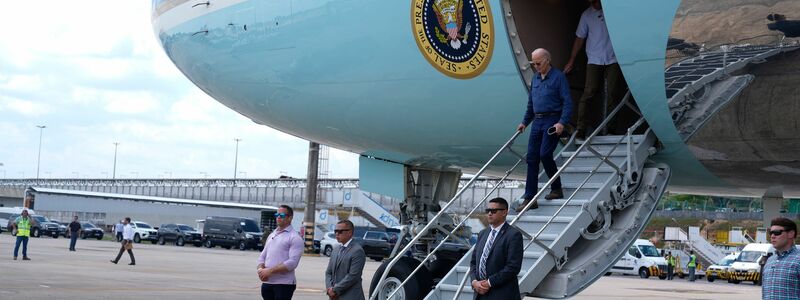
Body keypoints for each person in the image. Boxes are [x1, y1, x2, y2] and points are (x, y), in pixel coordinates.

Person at [516, 48, 573, 211]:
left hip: (552, 119)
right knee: (532, 158)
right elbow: (531, 104)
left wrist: (562, 122)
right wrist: (525, 122)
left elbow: (568, 102)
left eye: (538, 63)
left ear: (547, 61)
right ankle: (530, 198)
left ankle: (556, 188)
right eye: (533, 63)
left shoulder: (558, 77)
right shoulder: (535, 78)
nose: (535, 66)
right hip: (537, 120)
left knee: (545, 154)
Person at [564, 0, 626, 139]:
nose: (594, 4)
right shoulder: (586, 15)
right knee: (589, 93)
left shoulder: (613, 11)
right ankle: (581, 128)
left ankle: (611, 129)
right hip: (594, 59)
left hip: (613, 58)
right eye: (591, 1)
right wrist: (571, 60)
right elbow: (580, 38)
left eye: (596, 1)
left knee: (613, 93)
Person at [470, 198, 523, 298]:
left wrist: (489, 283)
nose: (489, 213)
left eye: (494, 211)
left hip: (501, 294)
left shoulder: (513, 235)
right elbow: (473, 262)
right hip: (480, 293)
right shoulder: (482, 233)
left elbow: (513, 267)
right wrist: (474, 282)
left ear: (504, 212)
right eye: (488, 211)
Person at [257, 205, 304, 300]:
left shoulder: (294, 238)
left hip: (283, 284)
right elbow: (262, 256)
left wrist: (269, 271)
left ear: (290, 218)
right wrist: (261, 271)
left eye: (281, 215)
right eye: (277, 214)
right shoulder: (272, 235)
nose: (278, 217)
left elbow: (292, 263)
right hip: (267, 283)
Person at [324, 220, 366, 300]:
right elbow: (328, 272)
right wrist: (330, 289)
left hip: (350, 296)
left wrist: (335, 290)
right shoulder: (336, 250)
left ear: (349, 232)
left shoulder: (357, 251)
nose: (337, 234)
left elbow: (353, 276)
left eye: (340, 231)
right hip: (334, 296)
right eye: (335, 231)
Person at [762, 217, 799, 299]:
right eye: (770, 233)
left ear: (791, 234)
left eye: (777, 232)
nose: (772, 236)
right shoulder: (769, 261)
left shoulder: (798, 260)